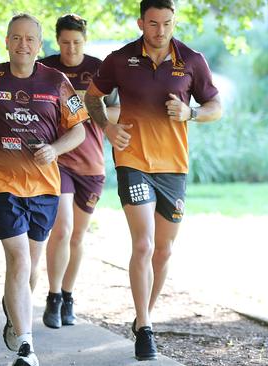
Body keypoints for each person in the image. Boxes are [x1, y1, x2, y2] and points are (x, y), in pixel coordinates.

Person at [84, 0, 222, 360]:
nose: (160, 31)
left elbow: (215, 107)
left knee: (163, 251)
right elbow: (91, 97)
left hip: (173, 167)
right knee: (143, 246)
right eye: (153, 23)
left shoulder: (192, 60)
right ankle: (145, 327)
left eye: (167, 23)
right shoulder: (120, 59)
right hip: (133, 160)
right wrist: (108, 128)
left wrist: (190, 112)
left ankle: (142, 314)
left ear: (174, 22)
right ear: (141, 22)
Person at [0, 14, 87, 366]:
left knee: (31, 268)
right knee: (18, 258)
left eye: (30, 38)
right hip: (1, 183)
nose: (23, 44)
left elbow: (80, 130)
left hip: (45, 186)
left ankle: (15, 313)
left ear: (39, 44)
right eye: (16, 38)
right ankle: (27, 347)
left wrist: (55, 149)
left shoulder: (57, 81)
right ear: (7, 42)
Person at [37, 14, 120, 329]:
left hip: (92, 163)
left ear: (84, 41)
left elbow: (117, 110)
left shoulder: (100, 69)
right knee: (62, 228)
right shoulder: (45, 69)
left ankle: (68, 295)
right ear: (57, 41)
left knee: (77, 235)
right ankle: (54, 296)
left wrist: (86, 108)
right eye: (65, 42)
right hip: (58, 161)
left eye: (77, 43)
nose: (71, 49)